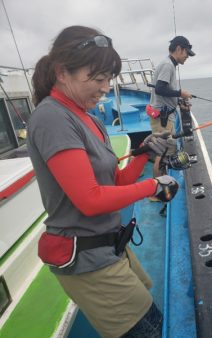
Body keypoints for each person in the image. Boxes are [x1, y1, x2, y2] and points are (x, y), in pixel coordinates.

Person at [27, 25, 177, 338]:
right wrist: (154, 185)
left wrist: (141, 154)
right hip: (87, 259)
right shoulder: (52, 116)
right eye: (97, 78)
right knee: (149, 331)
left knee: (153, 323)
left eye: (108, 79)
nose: (105, 88)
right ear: (62, 73)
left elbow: (116, 182)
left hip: (110, 247)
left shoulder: (90, 118)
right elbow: (91, 199)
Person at [149, 36, 195, 176]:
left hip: (166, 115)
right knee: (162, 152)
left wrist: (178, 100)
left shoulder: (170, 64)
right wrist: (180, 93)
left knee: (163, 150)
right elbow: (160, 89)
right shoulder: (168, 65)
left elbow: (164, 90)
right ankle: (158, 189)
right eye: (187, 53)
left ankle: (161, 183)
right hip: (162, 118)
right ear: (179, 49)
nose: (187, 56)